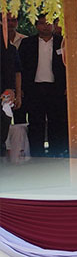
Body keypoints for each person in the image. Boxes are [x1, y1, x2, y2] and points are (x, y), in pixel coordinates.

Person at [18, 17, 67, 158]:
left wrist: (67, 86)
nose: (45, 26)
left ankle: (56, 152)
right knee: (35, 122)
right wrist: (21, 89)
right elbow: (20, 67)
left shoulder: (62, 42)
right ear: (36, 26)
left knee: (56, 121)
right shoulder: (27, 43)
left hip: (56, 88)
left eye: (48, 23)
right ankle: (36, 154)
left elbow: (69, 65)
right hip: (34, 89)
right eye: (41, 23)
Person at [1, 15, 24, 159]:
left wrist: (17, 94)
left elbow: (17, 73)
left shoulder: (11, 50)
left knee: (2, 129)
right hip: (7, 93)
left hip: (6, 94)